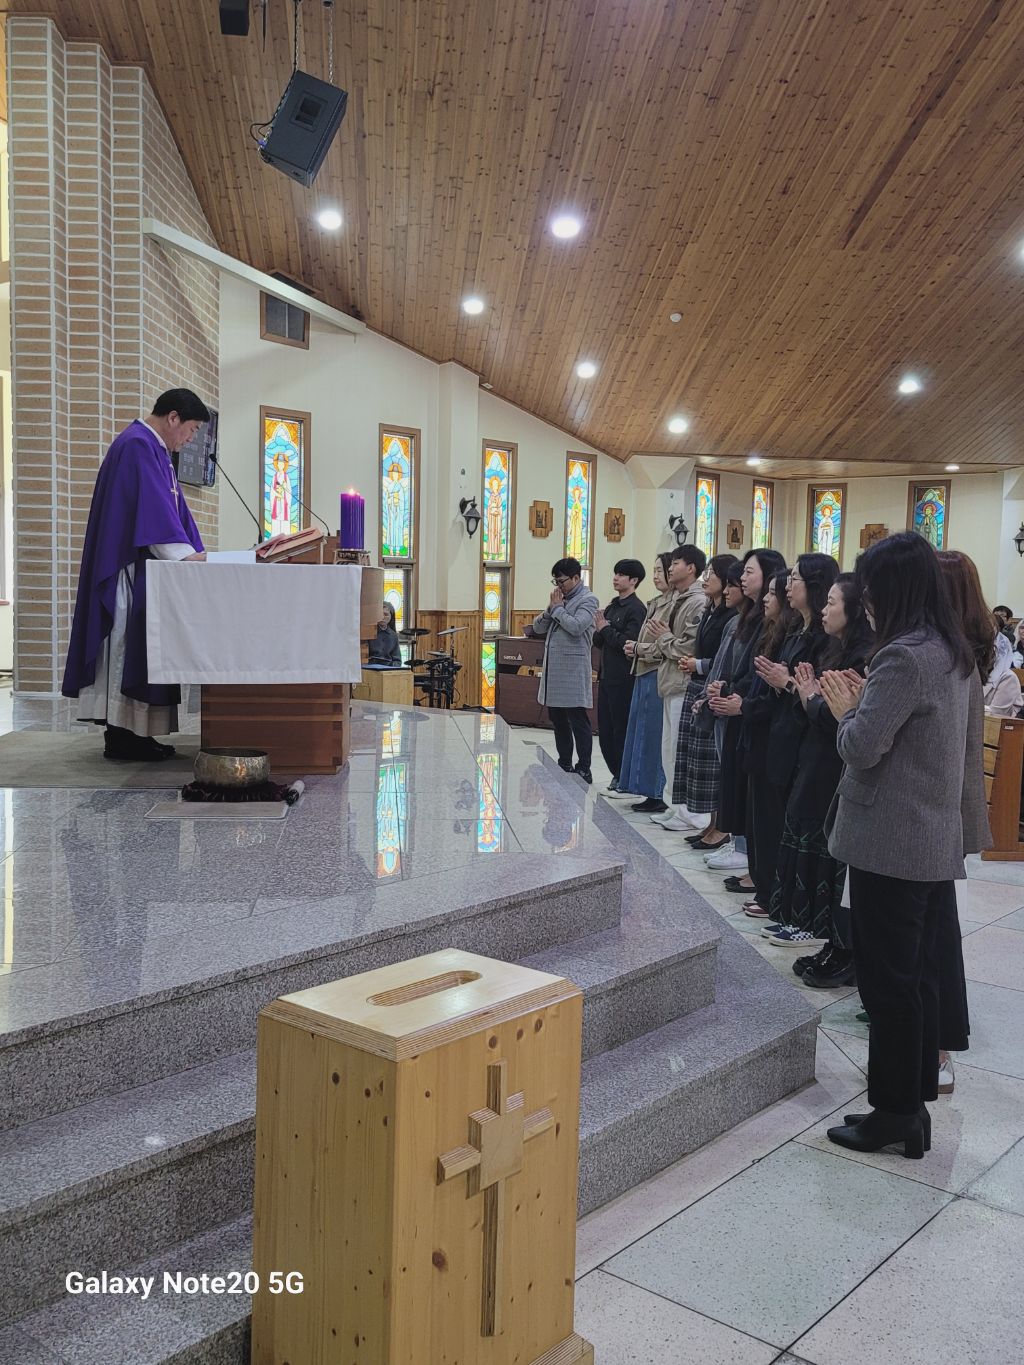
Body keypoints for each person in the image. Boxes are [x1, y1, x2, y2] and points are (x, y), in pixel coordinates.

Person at [821, 533, 989, 1159]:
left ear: (891, 590)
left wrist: (847, 711)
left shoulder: (902, 657)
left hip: (889, 842)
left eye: (869, 589)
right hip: (930, 836)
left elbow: (862, 747)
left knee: (887, 985)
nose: (865, 601)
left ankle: (893, 1114)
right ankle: (911, 1107)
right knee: (915, 978)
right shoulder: (951, 650)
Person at [62, 389, 210, 762]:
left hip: (145, 565)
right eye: (192, 429)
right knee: (126, 648)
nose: (190, 439)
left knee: (138, 648)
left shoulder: (153, 449)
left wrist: (193, 551)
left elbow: (170, 511)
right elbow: (152, 513)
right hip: (127, 567)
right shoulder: (138, 445)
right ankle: (122, 736)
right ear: (173, 418)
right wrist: (185, 555)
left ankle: (136, 735)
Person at [778, 574, 874, 984]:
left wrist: (810, 697)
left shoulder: (864, 657)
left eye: (832, 602)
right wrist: (808, 695)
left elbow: (841, 719)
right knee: (816, 857)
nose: (824, 609)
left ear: (853, 610)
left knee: (836, 867)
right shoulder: (836, 650)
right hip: (816, 763)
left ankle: (846, 949)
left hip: (837, 768)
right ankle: (831, 942)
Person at [753, 553, 841, 940]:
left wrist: (788, 684)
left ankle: (802, 917)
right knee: (784, 828)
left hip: (811, 744)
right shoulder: (796, 631)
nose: (787, 586)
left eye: (795, 579)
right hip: (784, 736)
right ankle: (784, 905)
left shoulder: (825, 639)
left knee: (805, 836)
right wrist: (781, 683)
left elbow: (818, 696)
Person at [707, 549, 788, 906]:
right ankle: (754, 866)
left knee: (762, 807)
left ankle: (760, 874)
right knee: (745, 796)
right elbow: (741, 668)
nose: (741, 579)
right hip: (742, 709)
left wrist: (738, 696)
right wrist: (723, 688)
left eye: (749, 572)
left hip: (758, 720)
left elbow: (763, 675)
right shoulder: (752, 617)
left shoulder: (776, 626)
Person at [627, 545, 708, 831]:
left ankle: (690, 814)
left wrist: (662, 639)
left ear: (691, 568)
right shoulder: (678, 599)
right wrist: (654, 644)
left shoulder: (697, 601)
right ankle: (673, 806)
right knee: (668, 750)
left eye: (675, 563)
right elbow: (668, 644)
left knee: (678, 751)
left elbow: (686, 647)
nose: (670, 568)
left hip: (684, 683)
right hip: (669, 680)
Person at [671, 554, 739, 850]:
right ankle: (712, 823)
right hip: (701, 687)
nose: (706, 577)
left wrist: (698, 664)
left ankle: (721, 827)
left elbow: (725, 661)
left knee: (713, 766)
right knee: (699, 763)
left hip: (714, 690)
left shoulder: (731, 617)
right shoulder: (712, 610)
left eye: (712, 573)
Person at [613, 554, 674, 812]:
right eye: (655, 570)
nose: (657, 575)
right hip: (643, 670)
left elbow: (670, 644)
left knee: (655, 737)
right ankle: (647, 790)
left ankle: (658, 793)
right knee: (642, 734)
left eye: (661, 570)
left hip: (659, 672)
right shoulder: (657, 602)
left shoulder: (676, 603)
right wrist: (637, 648)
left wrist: (640, 648)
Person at [532, 557, 600, 783]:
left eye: (562, 581)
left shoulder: (588, 600)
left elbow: (576, 626)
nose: (558, 586)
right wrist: (550, 610)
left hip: (573, 670)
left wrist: (558, 609)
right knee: (558, 719)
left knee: (577, 719)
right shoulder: (559, 600)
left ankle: (584, 767)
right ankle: (564, 762)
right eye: (556, 582)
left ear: (576, 578)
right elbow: (537, 627)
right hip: (555, 672)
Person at [593, 559, 648, 791]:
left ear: (634, 580)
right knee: (604, 730)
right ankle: (616, 773)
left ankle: (624, 776)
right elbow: (598, 641)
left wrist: (606, 628)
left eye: (621, 574)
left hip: (624, 679)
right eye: (615, 573)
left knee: (621, 730)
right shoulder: (613, 605)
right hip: (606, 677)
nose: (616, 578)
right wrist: (600, 629)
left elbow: (628, 643)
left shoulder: (636, 609)